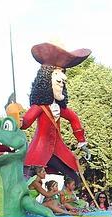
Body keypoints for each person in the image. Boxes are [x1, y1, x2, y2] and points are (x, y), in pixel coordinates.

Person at [21, 43, 91, 185]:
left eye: (62, 82)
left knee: (74, 178)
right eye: (58, 81)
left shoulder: (60, 108)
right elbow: (26, 121)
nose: (62, 84)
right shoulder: (39, 107)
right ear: (46, 82)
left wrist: (82, 142)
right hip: (39, 152)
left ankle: (67, 202)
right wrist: (16, 121)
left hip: (58, 151)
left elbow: (73, 118)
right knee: (27, 180)